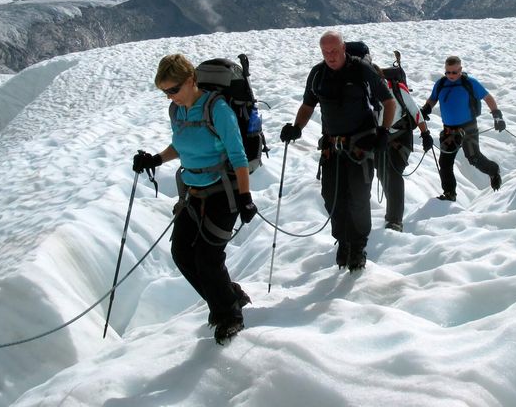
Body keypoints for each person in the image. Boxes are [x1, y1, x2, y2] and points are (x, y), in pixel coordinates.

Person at [132, 53, 257, 345]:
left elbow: (237, 155)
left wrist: (245, 196)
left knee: (207, 258)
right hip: (192, 191)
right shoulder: (178, 112)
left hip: (222, 191)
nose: (170, 97)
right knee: (183, 254)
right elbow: (181, 144)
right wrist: (156, 159)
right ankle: (228, 297)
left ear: (191, 80)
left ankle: (229, 315)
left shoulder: (218, 110)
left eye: (173, 90)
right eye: (165, 92)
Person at [279, 31, 396, 271]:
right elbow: (308, 105)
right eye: (325, 52)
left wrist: (384, 131)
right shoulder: (318, 74)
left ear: (343, 48)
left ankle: (358, 246)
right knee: (332, 196)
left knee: (358, 198)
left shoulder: (362, 70)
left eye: (334, 51)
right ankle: (343, 240)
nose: (330, 56)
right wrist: (296, 128)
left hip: (361, 146)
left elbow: (389, 101)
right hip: (332, 147)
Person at [421, 55, 504, 202]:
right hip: (449, 129)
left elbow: (488, 98)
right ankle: (449, 193)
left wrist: (497, 115)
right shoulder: (441, 84)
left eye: (454, 72)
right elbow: (433, 98)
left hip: (468, 126)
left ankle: (493, 171)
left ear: (460, 70)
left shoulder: (469, 83)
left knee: (473, 158)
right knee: (445, 162)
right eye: (448, 72)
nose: (451, 75)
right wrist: (427, 108)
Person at [372, 64, 435, 233]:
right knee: (382, 174)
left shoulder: (397, 89)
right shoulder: (366, 92)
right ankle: (392, 213)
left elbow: (415, 112)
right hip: (379, 139)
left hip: (401, 138)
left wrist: (425, 134)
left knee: (393, 174)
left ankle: (395, 220)